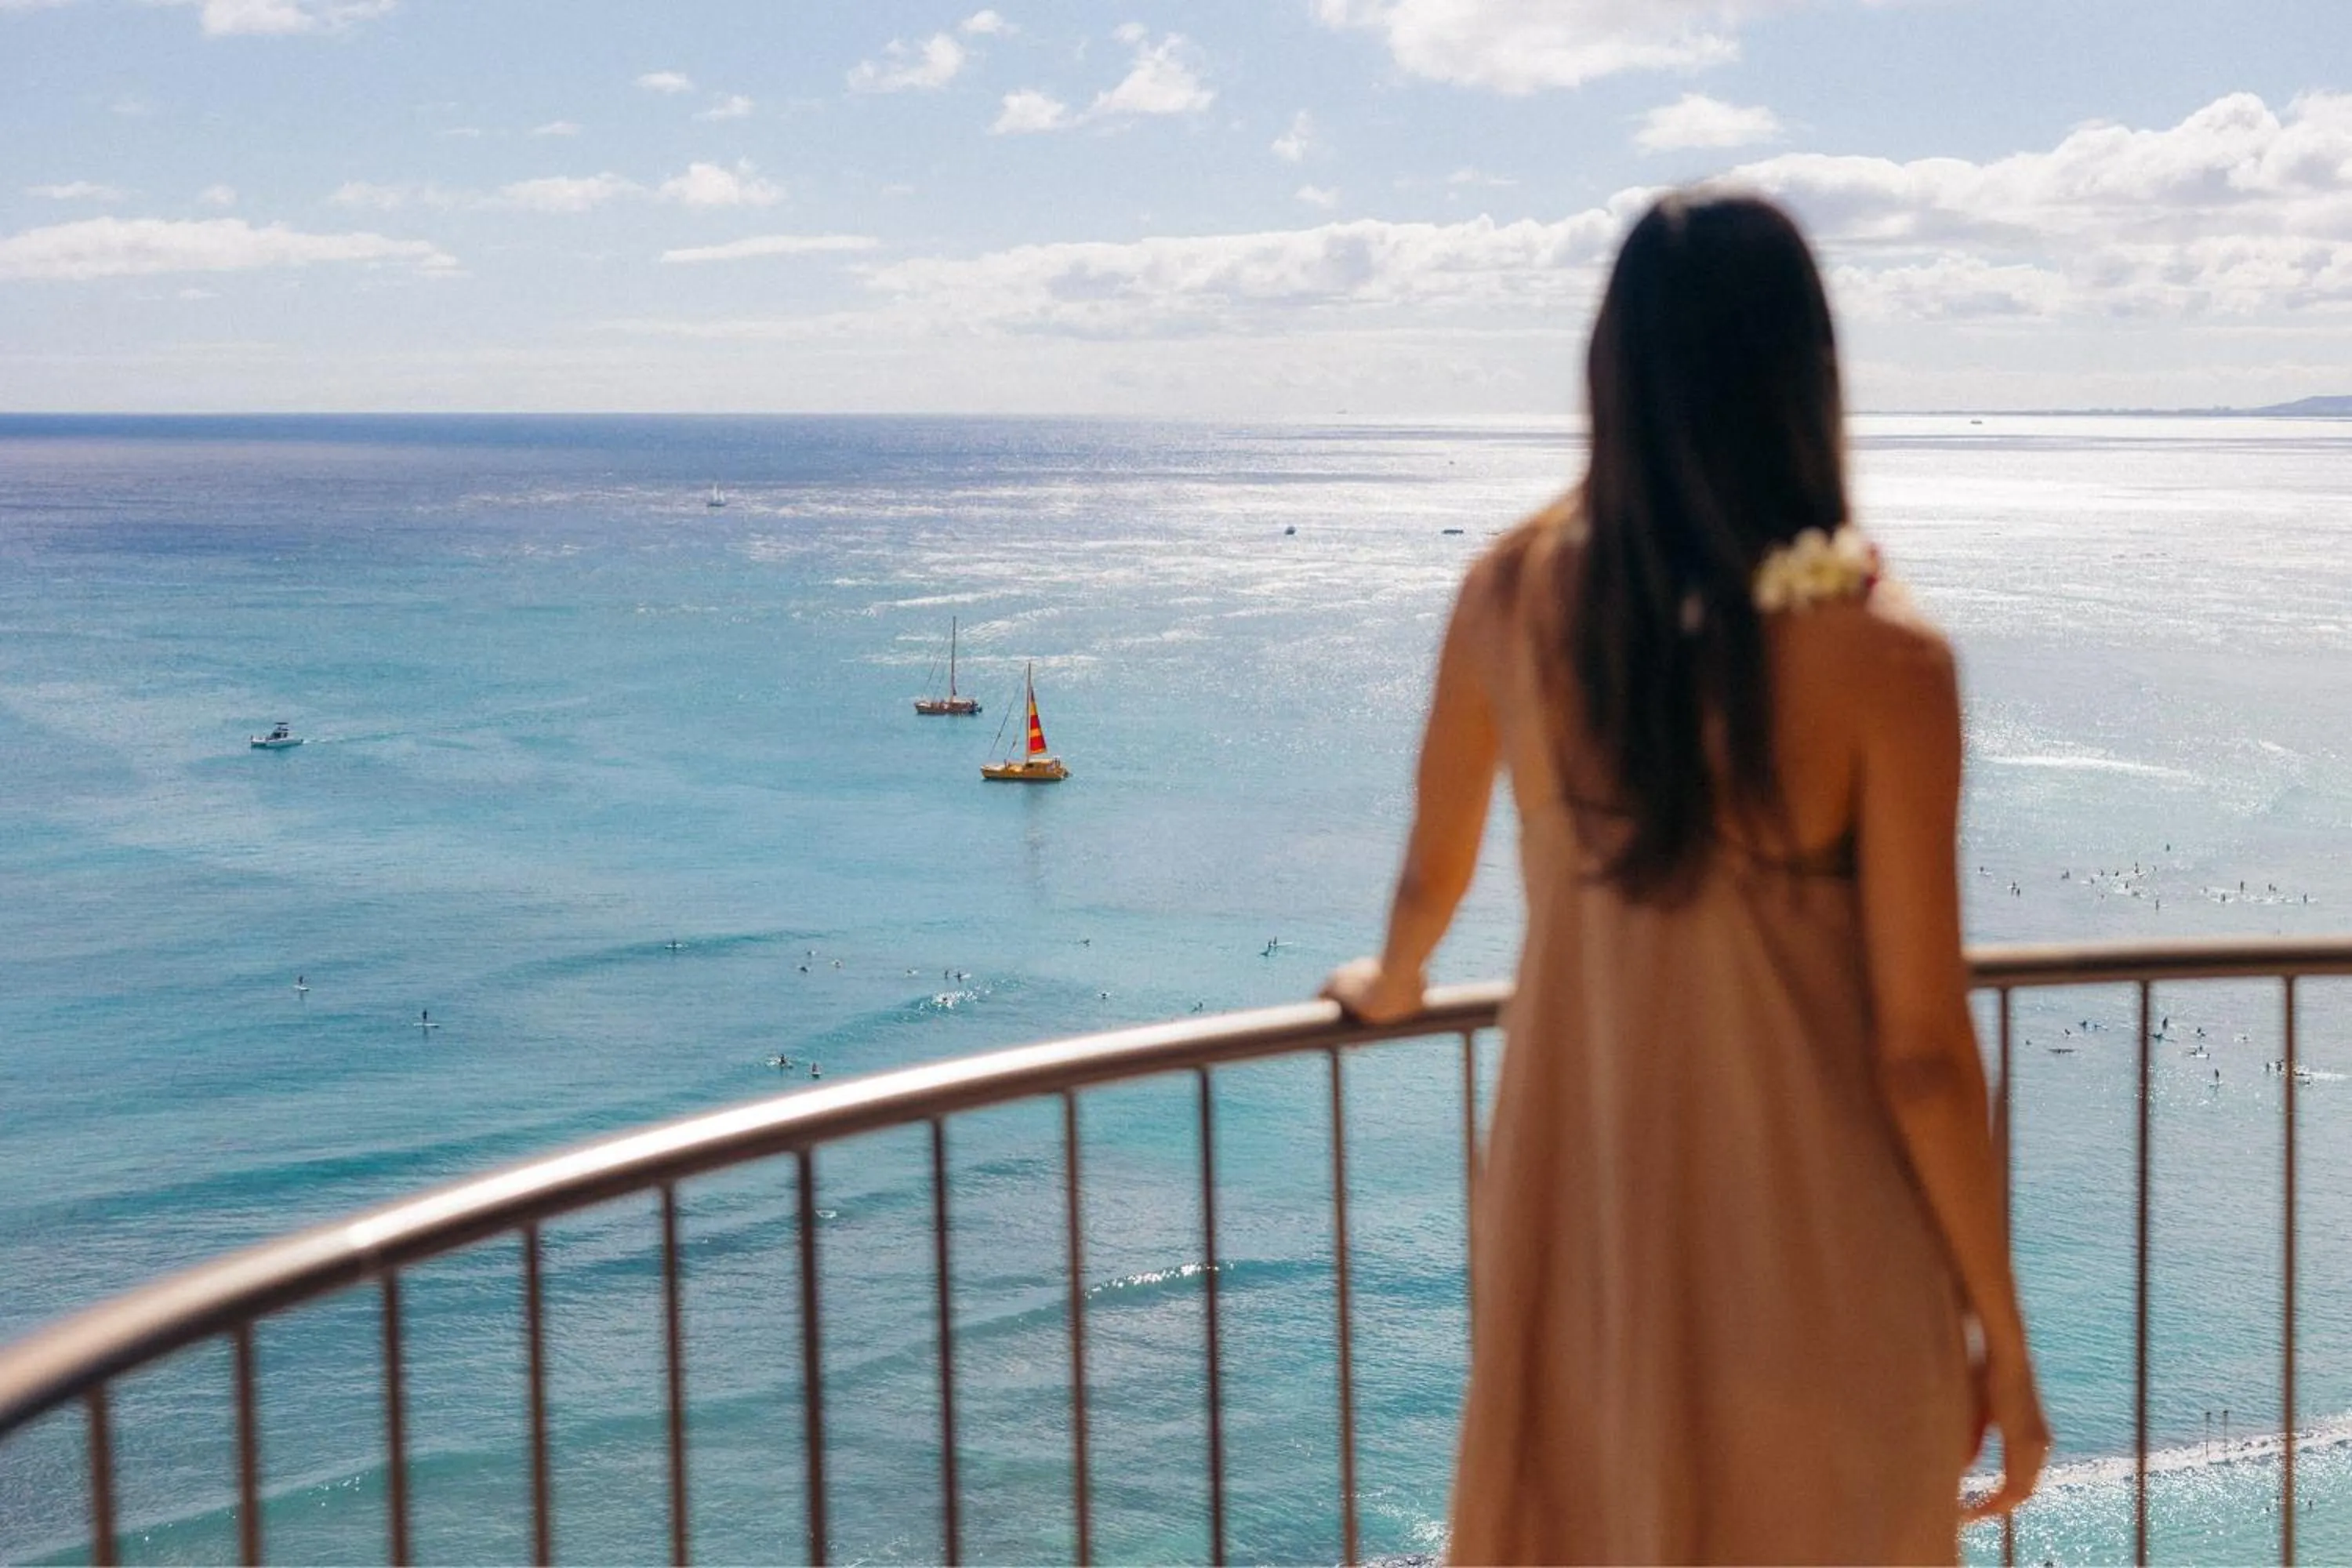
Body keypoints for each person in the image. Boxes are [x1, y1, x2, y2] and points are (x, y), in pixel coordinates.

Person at [1322, 191, 2047, 1563]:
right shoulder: (1885, 660)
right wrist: (1998, 1332)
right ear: (1806, 379)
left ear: (1612, 376)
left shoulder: (1508, 600)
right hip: (1829, 1267)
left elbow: (1432, 872)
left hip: (1590, 1252)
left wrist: (1393, 981)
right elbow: (1925, 1056)